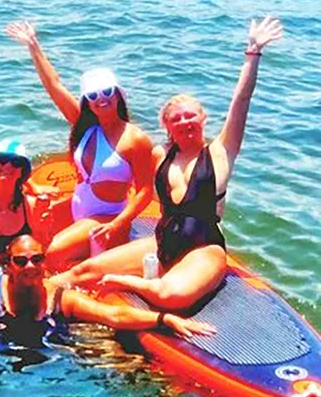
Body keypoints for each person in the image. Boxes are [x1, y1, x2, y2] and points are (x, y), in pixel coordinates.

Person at [50, 17, 284, 311]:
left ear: (203, 119)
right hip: (162, 244)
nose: (185, 122)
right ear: (167, 127)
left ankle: (129, 282)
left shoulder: (221, 152)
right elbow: (124, 171)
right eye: (176, 119)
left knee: (171, 297)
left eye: (191, 116)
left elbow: (241, 99)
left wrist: (253, 53)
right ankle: (23, 298)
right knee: (80, 273)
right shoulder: (160, 155)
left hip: (203, 249)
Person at [6, 22, 156, 268]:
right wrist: (33, 46)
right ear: (88, 102)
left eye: (107, 92)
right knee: (37, 240)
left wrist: (118, 224)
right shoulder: (85, 127)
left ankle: (86, 270)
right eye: (93, 96)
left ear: (119, 94)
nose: (101, 99)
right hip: (80, 209)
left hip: (108, 218)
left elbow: (144, 191)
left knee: (53, 253)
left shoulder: (135, 139)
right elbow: (54, 86)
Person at [0, 236, 217, 340]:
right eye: (21, 261)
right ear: (8, 266)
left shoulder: (59, 298)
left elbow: (112, 316)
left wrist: (164, 318)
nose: (30, 266)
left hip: (48, 357)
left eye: (37, 258)